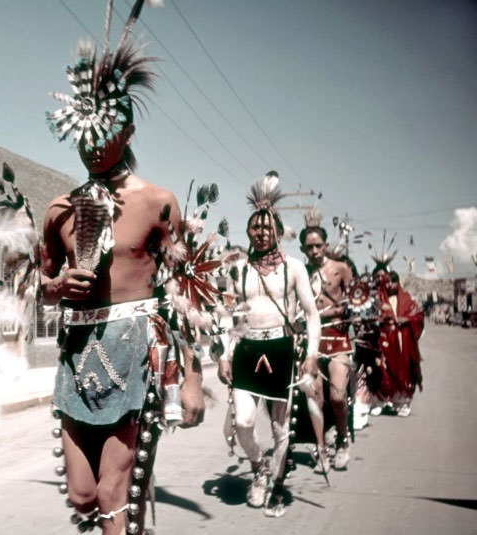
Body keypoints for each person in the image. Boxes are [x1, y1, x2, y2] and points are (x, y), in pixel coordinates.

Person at [42, 3, 204, 533]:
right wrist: (57, 285)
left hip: (135, 349)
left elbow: (187, 294)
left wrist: (193, 378)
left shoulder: (159, 203)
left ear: (127, 132)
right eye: (82, 133)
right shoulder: (59, 210)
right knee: (82, 495)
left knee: (114, 492)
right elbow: (39, 288)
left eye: (103, 131)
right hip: (75, 354)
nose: (91, 144)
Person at [217, 171, 320, 518]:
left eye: (267, 227)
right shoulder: (241, 269)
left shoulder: (294, 268)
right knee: (244, 422)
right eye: (255, 228)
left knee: (279, 428)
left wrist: (312, 356)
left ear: (277, 229)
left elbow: (311, 312)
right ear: (249, 231)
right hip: (247, 350)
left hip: (281, 350)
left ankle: (275, 483)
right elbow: (232, 316)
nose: (261, 233)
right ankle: (259, 467)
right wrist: (225, 353)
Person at [300, 211, 354, 470]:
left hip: (337, 341)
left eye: (318, 245)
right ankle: (322, 449)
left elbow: (356, 303)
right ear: (303, 248)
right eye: (309, 247)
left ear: (326, 246)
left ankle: (343, 441)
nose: (314, 251)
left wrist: (334, 312)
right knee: (315, 400)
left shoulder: (340, 269)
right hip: (312, 343)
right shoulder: (300, 273)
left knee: (336, 396)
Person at [374, 270, 424, 417]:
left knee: (405, 369)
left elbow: (418, 315)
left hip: (403, 341)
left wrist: (406, 319)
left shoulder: (407, 298)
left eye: (393, 281)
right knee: (387, 370)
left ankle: (404, 402)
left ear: (398, 282)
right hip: (386, 341)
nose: (390, 285)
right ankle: (391, 401)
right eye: (387, 282)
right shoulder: (380, 299)